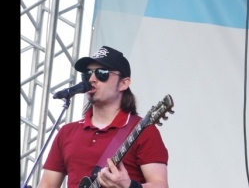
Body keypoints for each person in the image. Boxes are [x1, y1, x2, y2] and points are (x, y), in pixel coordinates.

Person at [37, 46, 169, 188]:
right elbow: (47, 184)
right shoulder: (66, 132)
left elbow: (160, 185)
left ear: (123, 83)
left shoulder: (143, 130)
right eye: (87, 74)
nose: (92, 79)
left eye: (102, 73)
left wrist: (129, 185)